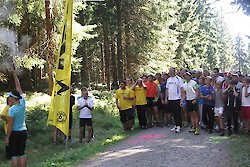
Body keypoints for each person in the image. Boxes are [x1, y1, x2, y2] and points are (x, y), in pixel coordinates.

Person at [6, 68, 27, 167]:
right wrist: (15, 75)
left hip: (14, 133)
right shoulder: (22, 102)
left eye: (10, 96)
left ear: (13, 98)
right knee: (22, 153)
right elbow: (18, 87)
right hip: (23, 131)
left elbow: (10, 125)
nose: (9, 98)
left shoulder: (12, 110)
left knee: (14, 155)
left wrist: (7, 137)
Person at [165, 67, 184, 133]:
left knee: (177, 112)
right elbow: (167, 89)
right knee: (173, 112)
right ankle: (176, 125)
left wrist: (182, 99)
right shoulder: (168, 79)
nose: (170, 72)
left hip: (177, 98)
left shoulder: (179, 79)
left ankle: (179, 126)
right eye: (169, 71)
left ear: (174, 71)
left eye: (171, 71)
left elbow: (181, 89)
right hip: (170, 98)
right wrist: (166, 98)